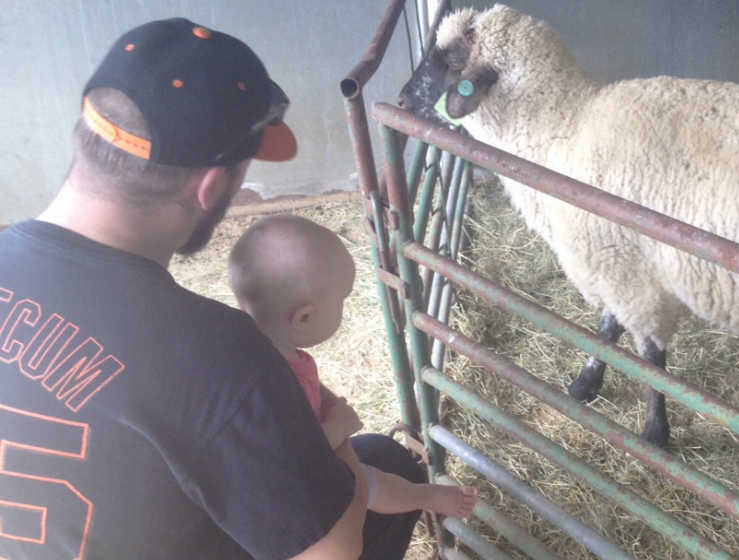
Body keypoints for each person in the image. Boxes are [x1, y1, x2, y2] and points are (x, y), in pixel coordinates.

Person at [0, 18, 454, 559]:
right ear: (212, 186)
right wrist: (336, 442)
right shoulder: (216, 352)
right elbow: (331, 556)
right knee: (383, 461)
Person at [227, 214, 477, 522]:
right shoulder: (272, 386)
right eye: (343, 299)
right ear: (304, 318)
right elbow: (290, 462)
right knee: (373, 483)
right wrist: (337, 427)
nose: (345, 305)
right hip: (295, 501)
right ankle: (426, 496)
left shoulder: (245, 348)